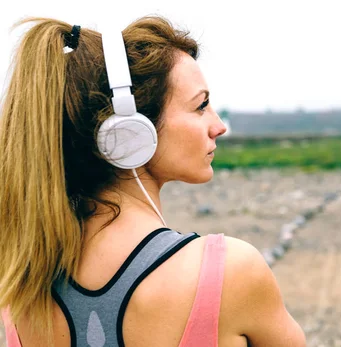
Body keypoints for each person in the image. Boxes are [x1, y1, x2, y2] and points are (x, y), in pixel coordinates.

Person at [0, 15, 306, 347]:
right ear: (130, 133)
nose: (219, 126)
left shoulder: (21, 282)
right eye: (200, 106)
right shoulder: (226, 274)